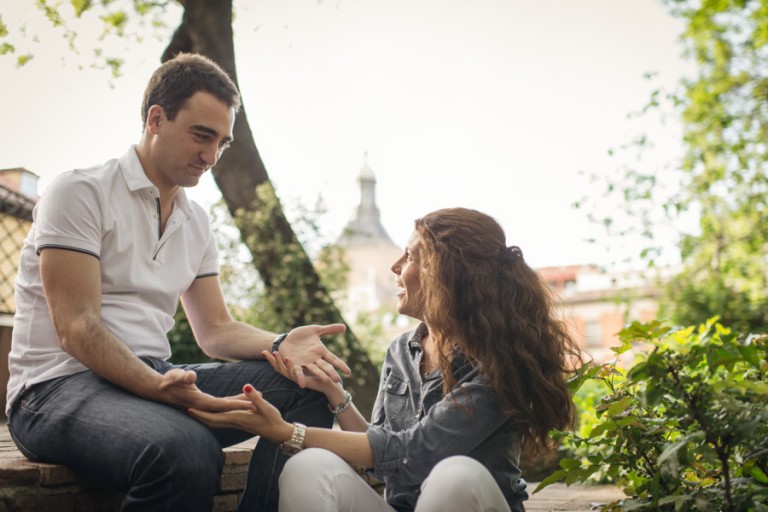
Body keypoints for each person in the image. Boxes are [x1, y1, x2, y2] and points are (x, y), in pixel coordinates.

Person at [5, 52, 350, 512]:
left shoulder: (195, 222)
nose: (210, 157)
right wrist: (154, 386)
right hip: (55, 390)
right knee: (185, 450)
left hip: (150, 377)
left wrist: (284, 342)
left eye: (222, 144)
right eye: (201, 135)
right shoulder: (79, 192)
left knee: (306, 384)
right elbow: (77, 329)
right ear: (155, 119)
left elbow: (216, 330)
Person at [191, 207, 582, 512]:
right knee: (307, 467)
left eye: (410, 256)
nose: (395, 268)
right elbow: (380, 452)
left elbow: (417, 452)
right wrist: (334, 394)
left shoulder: (495, 363)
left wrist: (285, 431)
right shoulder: (401, 351)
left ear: (447, 274)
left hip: (475, 501)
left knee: (454, 476)